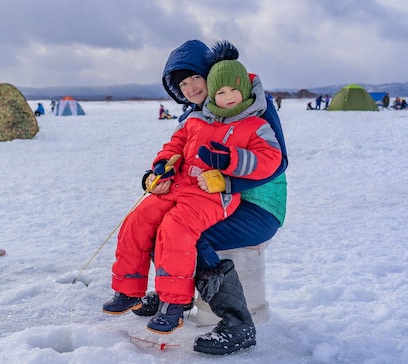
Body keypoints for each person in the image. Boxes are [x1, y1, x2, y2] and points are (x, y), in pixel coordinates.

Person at [102, 42, 283, 338]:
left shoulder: (252, 111)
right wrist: (159, 172)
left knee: (184, 232)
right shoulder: (196, 117)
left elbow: (274, 161)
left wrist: (227, 179)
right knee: (145, 220)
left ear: (210, 75)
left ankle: (236, 320)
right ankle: (153, 291)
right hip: (196, 190)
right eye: (182, 84)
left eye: (195, 78)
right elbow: (175, 149)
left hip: (257, 202)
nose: (189, 88)